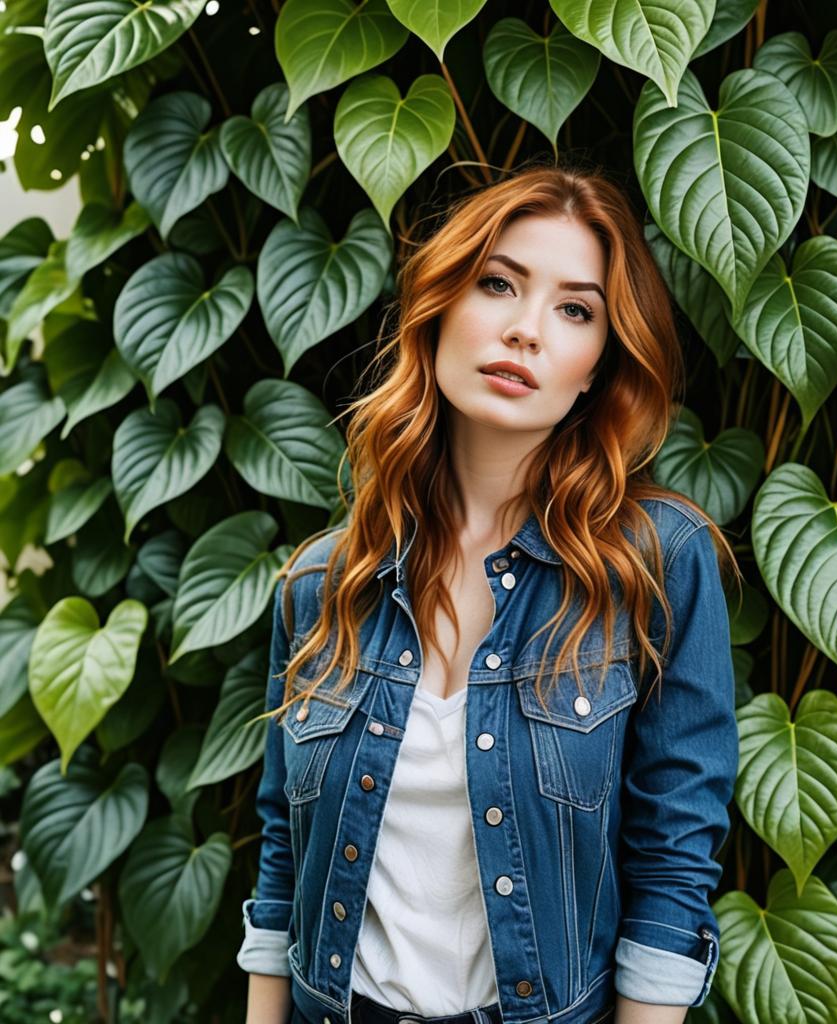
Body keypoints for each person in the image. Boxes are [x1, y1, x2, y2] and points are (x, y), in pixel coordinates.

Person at [236, 162, 740, 1024]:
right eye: (498, 284)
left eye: (574, 309)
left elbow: (672, 864)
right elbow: (284, 856)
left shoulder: (657, 565)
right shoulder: (325, 580)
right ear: (438, 312)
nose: (526, 330)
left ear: (597, 367)